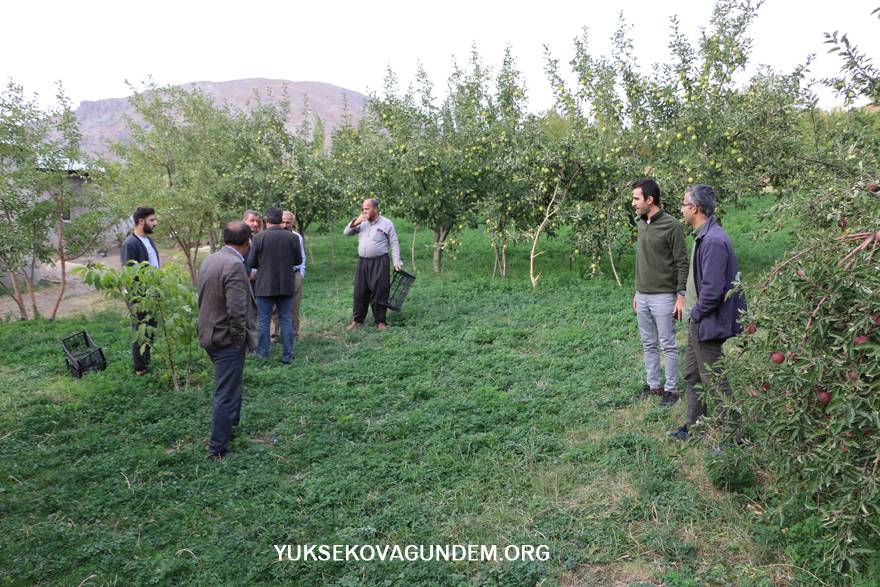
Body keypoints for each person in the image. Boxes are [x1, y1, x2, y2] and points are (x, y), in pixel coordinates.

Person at [668, 184, 747, 441]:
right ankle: (695, 425)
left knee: (714, 379)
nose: (681, 209)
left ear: (695, 208)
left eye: (683, 204)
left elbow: (713, 291)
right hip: (698, 320)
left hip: (705, 322)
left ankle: (735, 435)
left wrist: (697, 315)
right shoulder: (704, 235)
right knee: (693, 374)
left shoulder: (713, 241)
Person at [197, 221, 256, 461]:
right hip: (225, 338)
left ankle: (231, 429)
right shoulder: (234, 265)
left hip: (208, 332)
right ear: (248, 241)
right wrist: (238, 338)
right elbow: (236, 309)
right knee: (226, 392)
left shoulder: (211, 259)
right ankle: (217, 448)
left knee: (231, 386)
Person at [630, 179, 689, 406]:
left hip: (664, 296)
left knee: (668, 344)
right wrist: (637, 291)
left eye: (636, 198)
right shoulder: (641, 223)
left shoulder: (672, 226)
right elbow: (642, 261)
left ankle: (671, 390)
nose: (633, 203)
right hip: (643, 295)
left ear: (649, 199)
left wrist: (681, 296)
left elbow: (682, 263)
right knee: (648, 343)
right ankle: (654, 386)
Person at [247, 207, 303, 363]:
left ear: (266, 220)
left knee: (264, 320)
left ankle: (263, 354)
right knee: (286, 318)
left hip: (264, 285)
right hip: (286, 283)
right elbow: (298, 261)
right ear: (280, 220)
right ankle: (288, 355)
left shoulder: (259, 238)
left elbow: (251, 262)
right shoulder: (292, 238)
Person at [343, 198, 402, 331]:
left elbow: (394, 242)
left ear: (375, 209)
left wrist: (396, 261)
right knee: (360, 290)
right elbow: (346, 232)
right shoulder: (361, 222)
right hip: (363, 262)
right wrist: (357, 221)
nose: (364, 211)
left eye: (367, 208)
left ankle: (380, 321)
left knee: (380, 290)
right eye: (363, 209)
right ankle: (357, 320)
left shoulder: (387, 223)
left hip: (379, 261)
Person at [120, 206, 160, 376]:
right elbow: (129, 274)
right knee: (140, 329)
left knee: (151, 327)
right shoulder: (130, 243)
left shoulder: (148, 241)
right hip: (139, 296)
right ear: (141, 221)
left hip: (153, 292)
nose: (155, 223)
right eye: (152, 220)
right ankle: (140, 368)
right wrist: (139, 298)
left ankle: (147, 359)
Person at [280, 210, 306, 337]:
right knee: (275, 307)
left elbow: (302, 256)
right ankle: (275, 335)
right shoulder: (275, 236)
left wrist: (301, 273)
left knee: (294, 306)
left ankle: (294, 333)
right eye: (282, 222)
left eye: (288, 222)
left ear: (293, 223)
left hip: (294, 274)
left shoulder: (297, 237)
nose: (285, 225)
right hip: (278, 275)